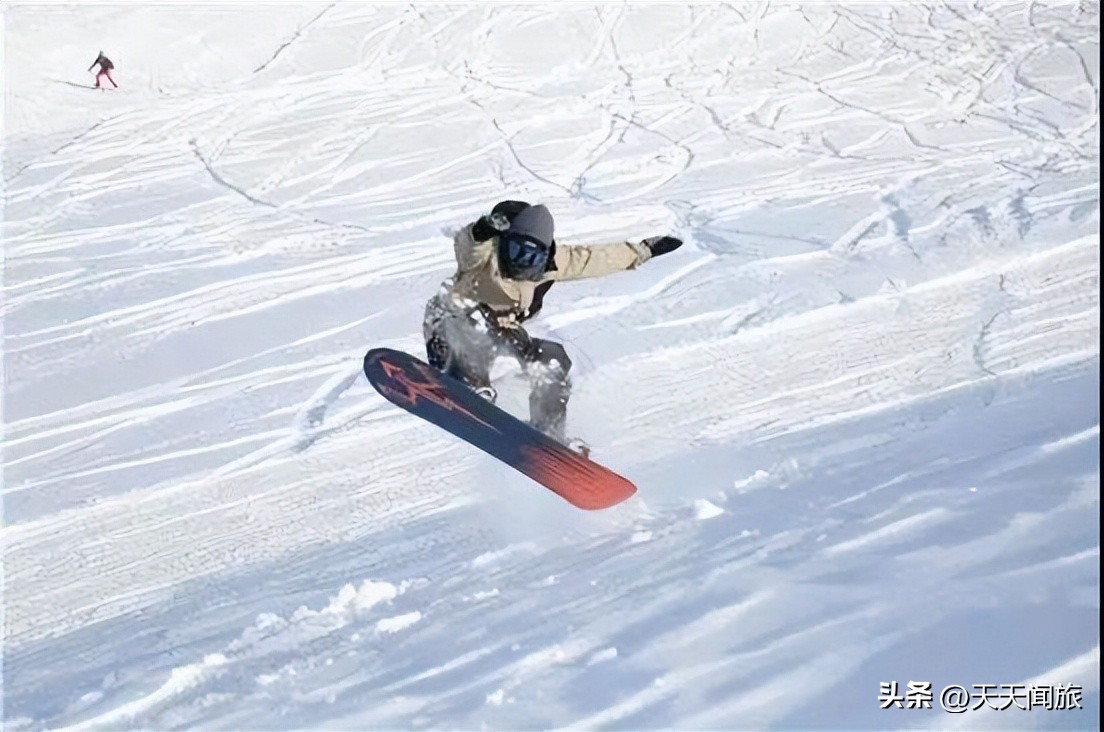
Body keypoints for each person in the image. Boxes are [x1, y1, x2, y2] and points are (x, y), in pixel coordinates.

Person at [423, 200, 682, 448]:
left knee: (552, 357)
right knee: (476, 325)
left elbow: (595, 258)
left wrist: (645, 250)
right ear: (503, 243)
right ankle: (470, 386)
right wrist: (482, 229)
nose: (522, 261)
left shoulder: (551, 262)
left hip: (501, 329)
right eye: (516, 251)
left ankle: (549, 431)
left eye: (531, 257)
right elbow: (469, 244)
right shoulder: (483, 255)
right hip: (449, 324)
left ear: (545, 254)